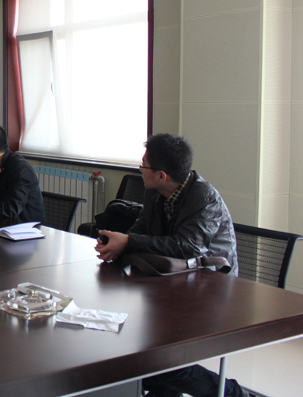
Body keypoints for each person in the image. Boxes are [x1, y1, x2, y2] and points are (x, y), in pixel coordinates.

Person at [95, 134, 246, 397]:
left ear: (161, 175)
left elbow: (187, 247)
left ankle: (232, 393)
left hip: (212, 288)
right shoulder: (154, 191)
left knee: (161, 362)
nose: (140, 170)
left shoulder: (204, 197)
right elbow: (142, 228)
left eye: (143, 166)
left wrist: (129, 241)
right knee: (138, 347)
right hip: (172, 280)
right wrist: (118, 244)